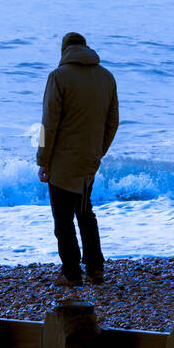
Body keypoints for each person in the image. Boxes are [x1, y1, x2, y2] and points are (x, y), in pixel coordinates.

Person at [36, 32, 119, 286]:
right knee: (85, 214)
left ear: (64, 51)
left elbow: (48, 125)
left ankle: (71, 274)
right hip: (88, 161)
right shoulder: (106, 77)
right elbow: (112, 122)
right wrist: (98, 152)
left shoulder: (58, 77)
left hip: (62, 162)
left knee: (63, 219)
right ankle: (95, 269)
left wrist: (43, 159)